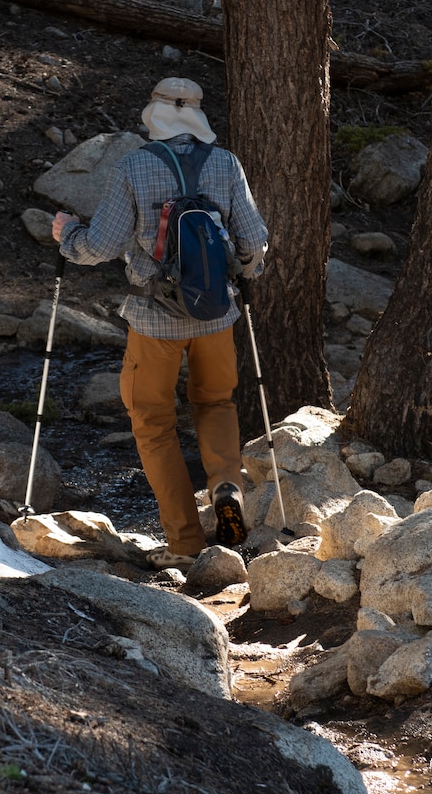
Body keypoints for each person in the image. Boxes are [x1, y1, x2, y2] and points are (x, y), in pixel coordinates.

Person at [52, 77, 269, 560]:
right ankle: (227, 487)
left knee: (153, 422)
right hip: (217, 316)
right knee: (216, 404)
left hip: (154, 321)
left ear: (155, 113)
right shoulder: (226, 163)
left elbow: (103, 246)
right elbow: (254, 242)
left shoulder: (135, 166)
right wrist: (240, 276)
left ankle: (185, 545)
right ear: (197, 115)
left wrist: (68, 236)